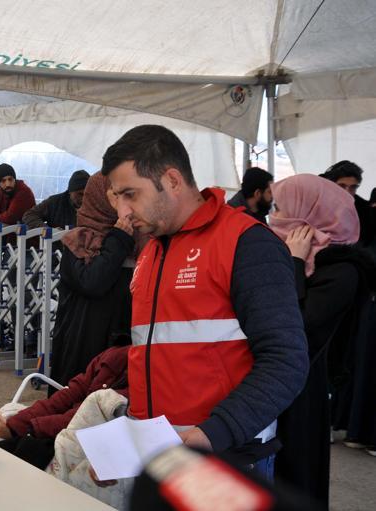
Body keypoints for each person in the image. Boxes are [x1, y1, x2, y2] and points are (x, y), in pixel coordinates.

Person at [100, 124, 308, 480]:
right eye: (117, 197)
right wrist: (126, 446)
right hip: (161, 457)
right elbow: (153, 357)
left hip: (228, 459)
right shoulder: (152, 252)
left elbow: (286, 360)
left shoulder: (247, 242)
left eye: (130, 194)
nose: (124, 211)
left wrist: (212, 434)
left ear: (172, 180)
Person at [269, 174, 376, 509]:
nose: (274, 215)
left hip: (302, 390)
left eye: (281, 207)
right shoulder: (283, 251)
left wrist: (295, 262)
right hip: (271, 383)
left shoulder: (342, 269)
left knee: (294, 478)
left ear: (307, 213)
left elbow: (297, 325)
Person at [49, 172, 135, 392]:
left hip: (120, 348)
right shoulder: (79, 240)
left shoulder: (140, 238)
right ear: (99, 196)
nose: (124, 202)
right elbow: (92, 282)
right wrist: (118, 238)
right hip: (82, 350)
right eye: (116, 194)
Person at [0, 345, 129, 469]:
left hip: (95, 444)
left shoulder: (138, 379)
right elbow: (67, 396)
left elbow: (85, 419)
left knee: (26, 449)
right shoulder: (114, 355)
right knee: (1, 441)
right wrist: (14, 425)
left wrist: (28, 428)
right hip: (69, 429)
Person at [321, 160, 374, 246]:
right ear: (331, 184)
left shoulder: (363, 209)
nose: (347, 192)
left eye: (353, 187)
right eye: (342, 186)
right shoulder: (317, 203)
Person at [23, 169, 89, 229]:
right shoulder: (54, 203)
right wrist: (49, 231)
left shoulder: (93, 206)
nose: (83, 199)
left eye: (87, 194)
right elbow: (29, 215)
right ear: (70, 191)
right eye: (80, 194)